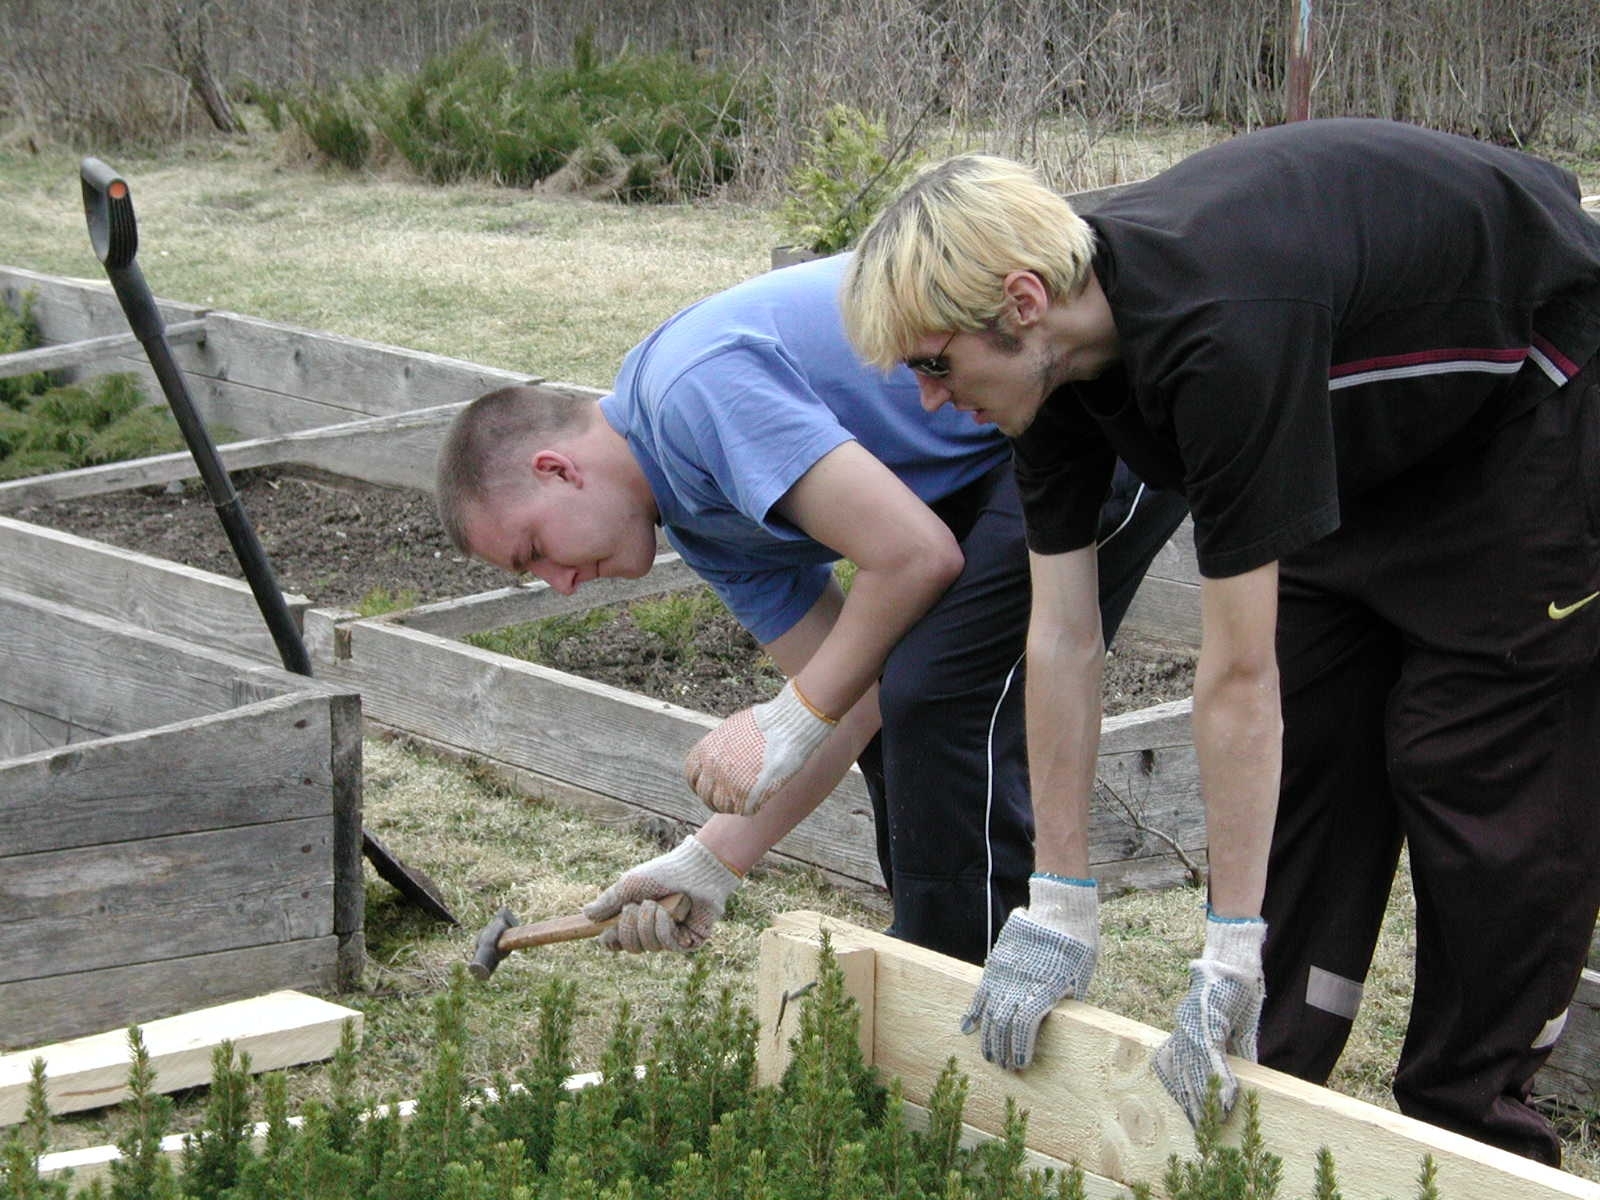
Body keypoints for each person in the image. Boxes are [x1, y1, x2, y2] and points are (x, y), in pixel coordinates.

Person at [838, 118, 1600, 1165]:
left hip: (1537, 393)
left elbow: (1235, 676)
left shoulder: (1221, 330)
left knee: (1471, 767)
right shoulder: (1052, 367)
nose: (929, 397)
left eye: (934, 364)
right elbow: (1061, 637)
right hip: (1360, 423)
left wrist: (1227, 951)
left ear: (1021, 302)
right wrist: (1057, 905)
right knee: (1316, 742)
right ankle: (1270, 1087)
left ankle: (1468, 1125)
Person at [436, 252, 1186, 967]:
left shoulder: (688, 393)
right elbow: (851, 706)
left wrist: (794, 712)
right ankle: (943, 957)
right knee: (900, 714)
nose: (560, 584)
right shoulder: (702, 527)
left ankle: (960, 977)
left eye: (534, 551)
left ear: (557, 469)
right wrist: (710, 860)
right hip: (999, 452)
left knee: (937, 693)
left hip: (1087, 400)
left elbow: (916, 557)